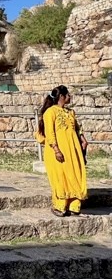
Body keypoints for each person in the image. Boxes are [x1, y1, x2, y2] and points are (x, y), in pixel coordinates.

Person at [37, 85, 88, 217]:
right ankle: (60, 206)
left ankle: (74, 206)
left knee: (75, 174)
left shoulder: (71, 112)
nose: (70, 97)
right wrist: (56, 149)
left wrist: (83, 139)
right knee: (60, 177)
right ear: (61, 96)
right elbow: (50, 132)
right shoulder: (50, 112)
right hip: (57, 150)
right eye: (68, 95)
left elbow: (77, 128)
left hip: (73, 149)